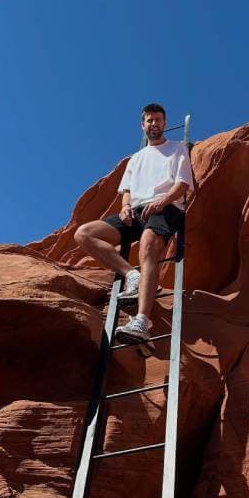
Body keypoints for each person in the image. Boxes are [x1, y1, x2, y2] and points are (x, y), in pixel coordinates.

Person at [73, 103, 194, 343]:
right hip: (135, 211)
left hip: (165, 207)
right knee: (84, 234)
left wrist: (162, 201)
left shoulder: (177, 149)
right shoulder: (135, 159)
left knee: (149, 243)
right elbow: (126, 190)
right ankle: (132, 275)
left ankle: (141, 322)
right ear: (143, 125)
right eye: (149, 120)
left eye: (158, 120)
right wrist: (125, 207)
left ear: (165, 124)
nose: (154, 124)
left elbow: (182, 184)